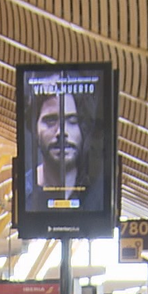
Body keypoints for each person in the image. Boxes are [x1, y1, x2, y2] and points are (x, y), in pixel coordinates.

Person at [23, 74, 106, 212]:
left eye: (72, 121)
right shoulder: (25, 193)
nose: (61, 132)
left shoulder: (99, 195)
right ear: (34, 129)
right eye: (50, 121)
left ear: (83, 129)